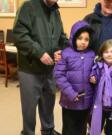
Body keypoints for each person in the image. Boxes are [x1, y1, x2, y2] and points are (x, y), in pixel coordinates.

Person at [13, 0, 67, 135]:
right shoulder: (28, 7)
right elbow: (19, 35)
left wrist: (62, 50)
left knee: (48, 105)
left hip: (49, 70)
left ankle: (48, 131)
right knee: (29, 109)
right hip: (30, 70)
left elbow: (61, 37)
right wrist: (39, 52)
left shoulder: (55, 11)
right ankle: (28, 132)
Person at [53, 20, 95, 135]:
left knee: (82, 128)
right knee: (69, 128)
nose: (83, 42)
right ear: (73, 38)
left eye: (86, 39)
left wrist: (94, 76)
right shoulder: (66, 53)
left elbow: (95, 70)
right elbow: (58, 75)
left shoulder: (91, 54)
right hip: (69, 102)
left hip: (86, 101)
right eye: (80, 38)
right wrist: (71, 93)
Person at [89, 39, 112, 135]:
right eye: (106, 52)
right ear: (102, 53)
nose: (109, 54)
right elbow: (94, 74)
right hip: (99, 106)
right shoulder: (98, 66)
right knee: (95, 127)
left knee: (110, 130)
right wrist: (93, 77)